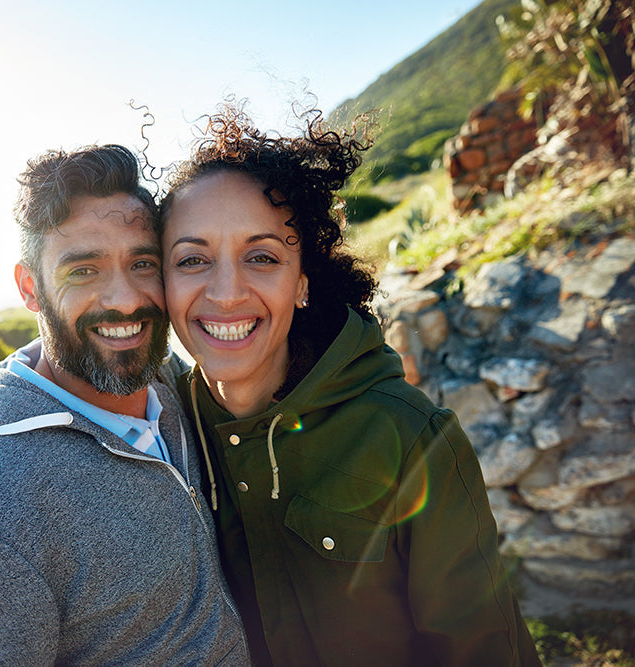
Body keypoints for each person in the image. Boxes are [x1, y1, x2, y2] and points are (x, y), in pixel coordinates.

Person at [159, 103, 541, 666]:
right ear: (160, 282)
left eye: (261, 256)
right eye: (192, 260)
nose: (226, 292)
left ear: (303, 283)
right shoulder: (164, 430)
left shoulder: (412, 437)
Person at [0, 143, 248, 665]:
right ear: (30, 288)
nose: (126, 299)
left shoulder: (169, 382)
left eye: (143, 263)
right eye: (83, 271)